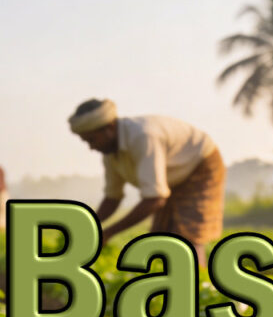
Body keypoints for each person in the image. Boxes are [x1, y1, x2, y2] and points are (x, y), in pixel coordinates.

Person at [68, 98, 225, 265]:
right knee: (160, 237)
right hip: (172, 176)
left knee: (186, 236)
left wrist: (107, 233)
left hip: (200, 163)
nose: (91, 147)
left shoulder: (143, 137)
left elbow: (155, 199)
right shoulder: (110, 154)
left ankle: (197, 286)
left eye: (92, 140)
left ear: (110, 128)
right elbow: (113, 197)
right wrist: (90, 226)